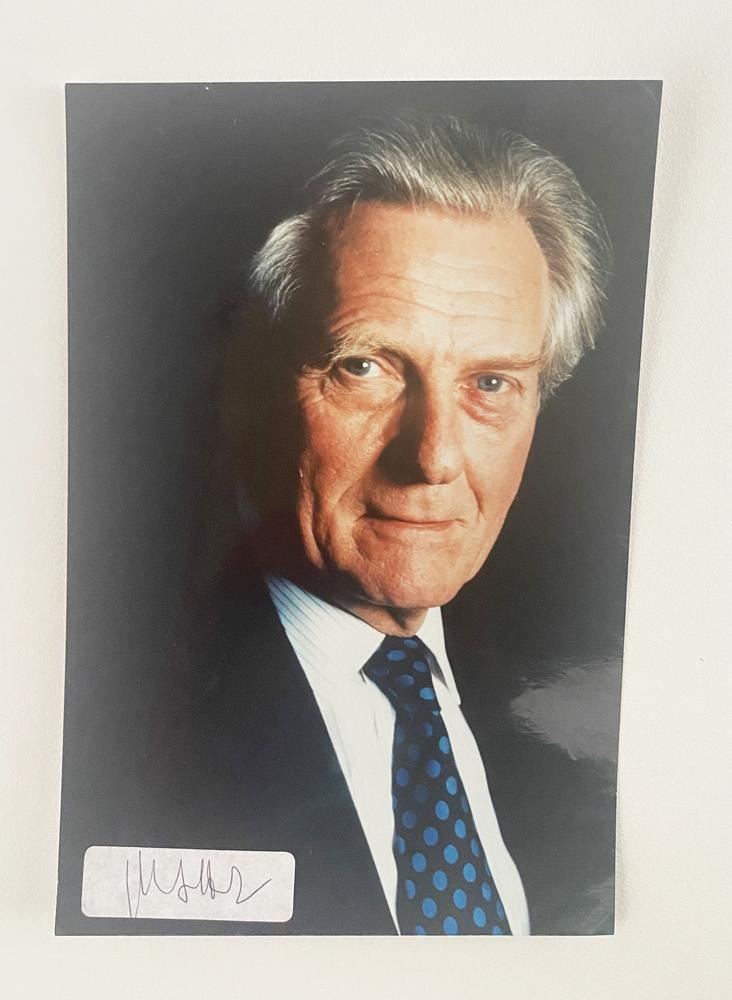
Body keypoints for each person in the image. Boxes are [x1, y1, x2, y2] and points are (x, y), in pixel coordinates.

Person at [57, 112, 614, 937]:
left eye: (491, 384)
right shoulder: (102, 733)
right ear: (254, 384)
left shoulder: (572, 730)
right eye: (365, 367)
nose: (433, 457)